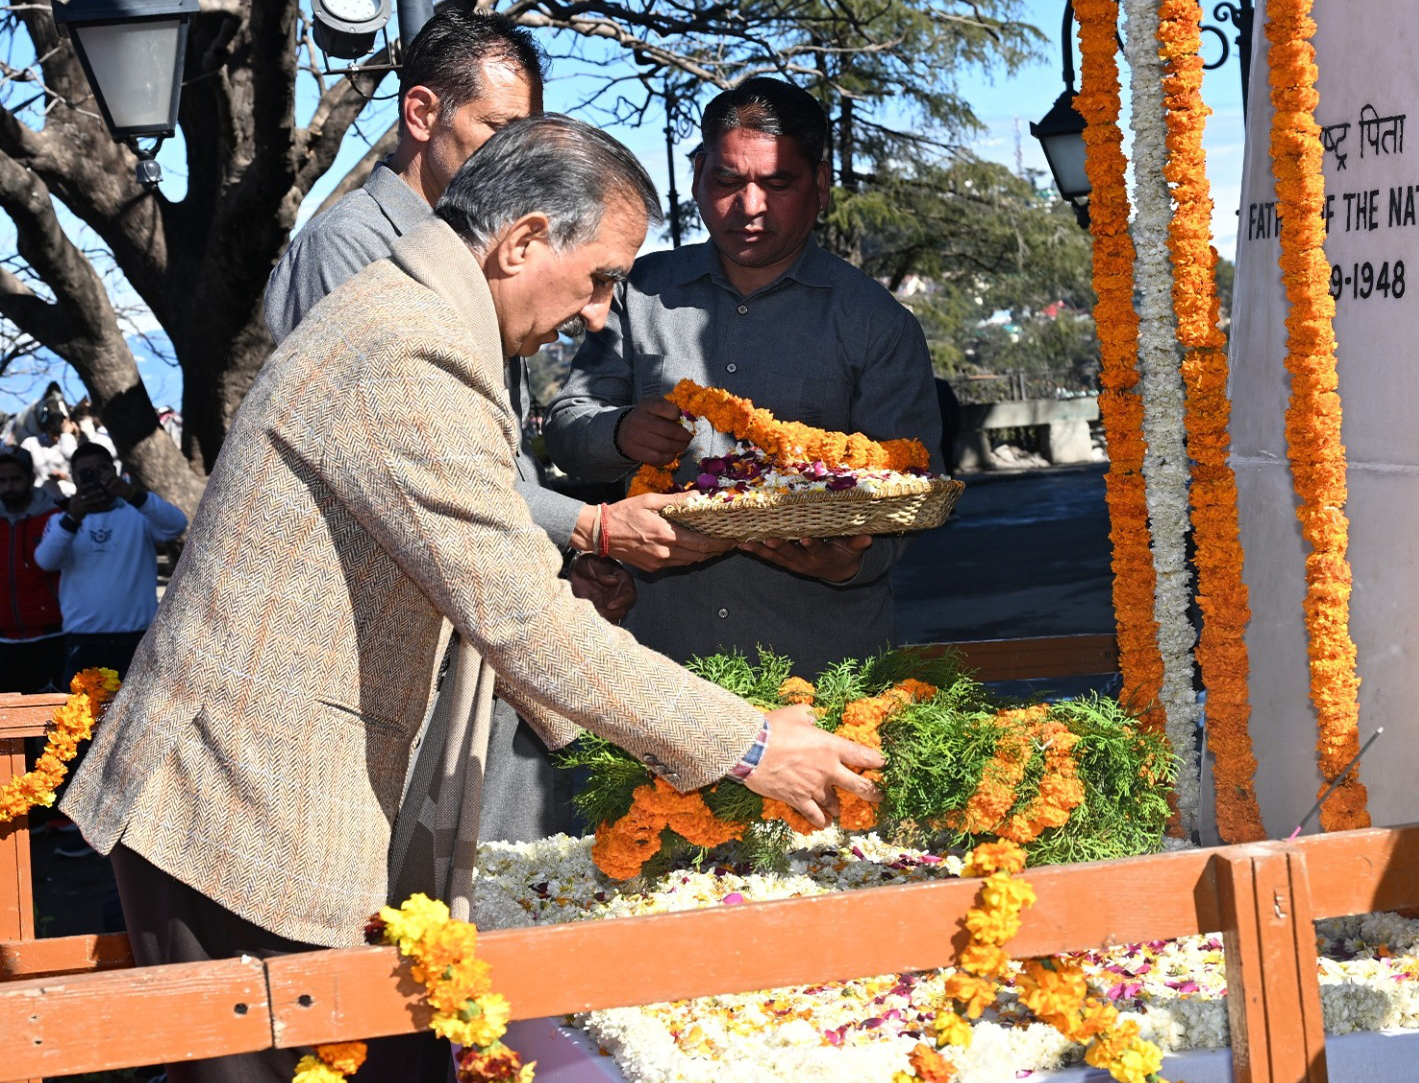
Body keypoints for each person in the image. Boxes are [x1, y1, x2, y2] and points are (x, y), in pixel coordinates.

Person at [62, 116, 881, 1083]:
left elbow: (492, 593)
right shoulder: (409, 349)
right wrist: (742, 746)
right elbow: (520, 617)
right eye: (602, 278)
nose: (596, 317)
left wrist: (663, 750)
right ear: (523, 240)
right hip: (234, 816)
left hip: (272, 806)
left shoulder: (420, 322)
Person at [263, 7, 727, 844]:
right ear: (421, 116)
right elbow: (427, 479)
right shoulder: (365, 265)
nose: (518, 158)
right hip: (350, 689)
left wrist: (564, 554)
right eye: (498, 130)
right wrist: (587, 527)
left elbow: (495, 459)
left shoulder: (477, 262)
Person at [544, 78, 944, 678]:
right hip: (655, 664)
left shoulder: (875, 324)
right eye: (728, 182)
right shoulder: (635, 294)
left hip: (821, 670)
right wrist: (621, 433)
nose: (749, 206)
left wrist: (847, 563)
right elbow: (566, 431)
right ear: (700, 174)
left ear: (821, 185)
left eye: (777, 184)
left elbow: (912, 483)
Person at [33, 443, 188, 686]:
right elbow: (46, 561)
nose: (96, 476)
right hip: (84, 639)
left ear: (114, 470)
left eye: (102, 469)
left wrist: (132, 495)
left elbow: (176, 524)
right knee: (80, 720)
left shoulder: (137, 513)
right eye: (86, 472)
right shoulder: (61, 521)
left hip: (138, 637)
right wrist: (73, 518)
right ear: (74, 477)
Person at [0, 446, 64, 695]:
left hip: (51, 637)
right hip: (3, 640)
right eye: (2, 480)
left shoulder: (56, 516)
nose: (8, 487)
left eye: (15, 479)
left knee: (54, 725)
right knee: (7, 726)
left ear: (30, 479)